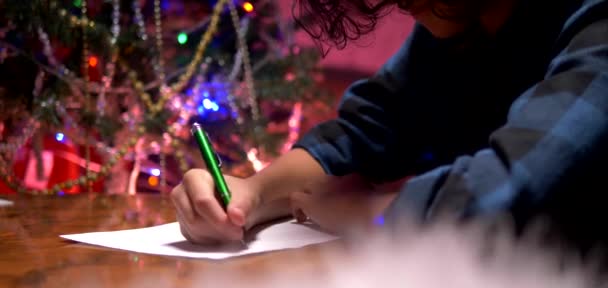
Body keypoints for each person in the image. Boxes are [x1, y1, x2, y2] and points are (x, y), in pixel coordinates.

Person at [171, 0, 608, 253]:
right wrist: (253, 194)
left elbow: (505, 192)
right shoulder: (462, 19)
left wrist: (360, 212)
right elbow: (367, 130)